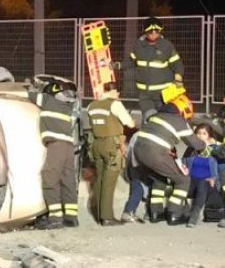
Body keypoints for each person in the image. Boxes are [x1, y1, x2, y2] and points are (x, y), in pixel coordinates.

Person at [132, 84, 204, 224]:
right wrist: (205, 145)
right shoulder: (178, 121)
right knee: (183, 180)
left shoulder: (157, 116)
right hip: (155, 153)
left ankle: (155, 213)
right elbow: (194, 143)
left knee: (160, 178)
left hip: (139, 151)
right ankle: (174, 214)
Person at [29, 77, 80, 228]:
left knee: (49, 178)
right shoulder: (68, 104)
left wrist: (34, 84)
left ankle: (55, 218)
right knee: (68, 181)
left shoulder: (48, 100)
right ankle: (71, 217)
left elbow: (29, 95)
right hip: (68, 147)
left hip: (56, 146)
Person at [85, 81, 135, 226]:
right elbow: (130, 124)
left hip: (96, 144)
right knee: (109, 182)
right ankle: (107, 217)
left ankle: (98, 214)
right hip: (111, 145)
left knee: (99, 179)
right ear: (115, 92)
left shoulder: (91, 105)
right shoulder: (115, 104)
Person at [124, 16, 184, 119]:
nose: (153, 34)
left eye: (157, 31)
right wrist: (117, 65)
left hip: (163, 94)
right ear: (145, 32)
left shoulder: (166, 46)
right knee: (148, 119)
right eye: (151, 31)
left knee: (164, 119)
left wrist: (178, 78)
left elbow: (177, 63)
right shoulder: (139, 45)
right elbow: (131, 61)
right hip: (145, 95)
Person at [120, 130, 150, 223]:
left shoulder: (137, 135)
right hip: (142, 168)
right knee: (139, 188)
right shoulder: (152, 135)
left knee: (137, 187)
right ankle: (129, 211)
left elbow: (129, 152)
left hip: (134, 166)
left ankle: (131, 211)